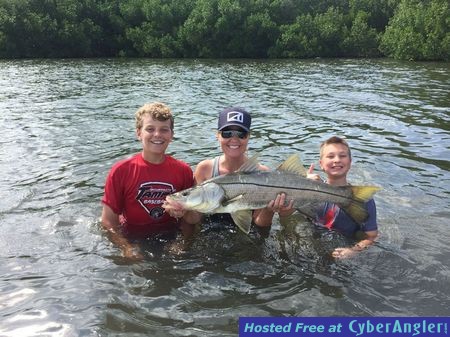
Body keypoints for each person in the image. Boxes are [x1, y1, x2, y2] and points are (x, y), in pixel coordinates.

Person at [164, 107, 293, 229]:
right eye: (227, 133)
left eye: (241, 134)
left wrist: (269, 210)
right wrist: (185, 209)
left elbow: (260, 225)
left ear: (249, 136)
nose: (234, 139)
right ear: (218, 135)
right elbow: (193, 220)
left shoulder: (262, 173)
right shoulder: (205, 169)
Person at [101, 102, 198, 259]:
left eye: (164, 130)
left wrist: (183, 243)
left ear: (171, 135)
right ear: (139, 133)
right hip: (131, 235)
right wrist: (126, 247)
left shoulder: (183, 171)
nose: (157, 135)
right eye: (150, 129)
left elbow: (189, 220)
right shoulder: (121, 171)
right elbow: (108, 221)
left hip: (170, 234)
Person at [301, 136, 378, 259]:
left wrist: (354, 250)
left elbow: (371, 236)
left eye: (342, 156)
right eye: (330, 156)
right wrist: (303, 185)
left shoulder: (364, 198)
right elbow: (290, 214)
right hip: (312, 247)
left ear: (350, 162)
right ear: (321, 164)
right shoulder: (311, 190)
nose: (337, 160)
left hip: (344, 248)